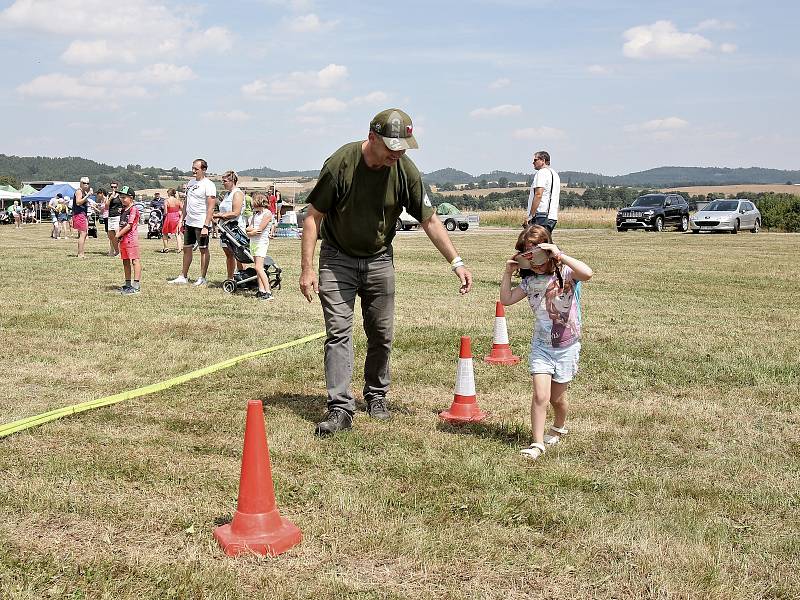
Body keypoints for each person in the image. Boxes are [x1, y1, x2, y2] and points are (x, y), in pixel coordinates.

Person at [300, 108, 473, 436]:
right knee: (339, 333)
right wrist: (308, 269)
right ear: (371, 138)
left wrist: (457, 262)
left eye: (403, 146)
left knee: (381, 334)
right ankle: (340, 407)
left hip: (379, 260)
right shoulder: (341, 164)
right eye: (392, 146)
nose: (398, 152)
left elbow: (430, 219)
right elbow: (313, 217)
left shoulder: (405, 170)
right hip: (337, 259)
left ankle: (376, 395)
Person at [499, 224, 593, 460]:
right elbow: (507, 299)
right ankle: (537, 443)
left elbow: (588, 273)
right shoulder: (529, 282)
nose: (536, 262)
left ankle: (559, 426)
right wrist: (508, 273)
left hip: (566, 347)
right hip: (541, 347)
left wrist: (560, 255)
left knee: (556, 399)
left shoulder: (567, 275)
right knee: (540, 396)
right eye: (528, 257)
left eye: (539, 255)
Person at [170, 159, 216, 286]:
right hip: (189, 221)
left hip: (201, 222)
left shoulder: (209, 185)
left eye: (196, 169)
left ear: (204, 169)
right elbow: (186, 203)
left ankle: (202, 278)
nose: (193, 171)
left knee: (203, 249)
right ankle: (183, 276)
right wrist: (181, 219)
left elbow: (211, 207)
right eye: (193, 168)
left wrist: (206, 225)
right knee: (186, 249)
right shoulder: (190, 183)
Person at [213, 171, 246, 280]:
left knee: (239, 254)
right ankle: (230, 277)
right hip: (225, 228)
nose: (223, 183)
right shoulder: (227, 194)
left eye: (225, 181)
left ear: (232, 181)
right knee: (229, 254)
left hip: (235, 229)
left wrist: (219, 215)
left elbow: (235, 212)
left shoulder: (237, 193)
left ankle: (243, 276)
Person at [246, 193, 274, 301]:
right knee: (257, 268)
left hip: (261, 242)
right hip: (253, 243)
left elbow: (259, 230)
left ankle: (268, 292)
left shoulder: (267, 213)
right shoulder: (255, 214)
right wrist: (250, 232)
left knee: (259, 267)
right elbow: (249, 228)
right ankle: (261, 290)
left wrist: (250, 232)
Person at [524, 151, 561, 232]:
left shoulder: (541, 173)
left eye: (535, 160)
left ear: (543, 160)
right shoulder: (555, 174)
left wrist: (530, 216)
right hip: (552, 216)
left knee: (534, 243)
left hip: (541, 215)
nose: (533, 162)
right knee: (545, 243)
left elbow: (538, 194)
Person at [116, 186, 142, 295]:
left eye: (124, 197)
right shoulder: (123, 209)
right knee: (125, 261)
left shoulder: (133, 209)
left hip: (131, 239)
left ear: (131, 198)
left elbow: (129, 225)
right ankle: (127, 284)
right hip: (123, 240)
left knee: (134, 260)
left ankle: (136, 285)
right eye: (120, 197)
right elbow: (121, 224)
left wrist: (117, 235)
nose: (121, 199)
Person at [73, 176, 91, 258]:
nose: (86, 185)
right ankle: (80, 253)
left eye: (88, 183)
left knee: (84, 233)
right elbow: (78, 202)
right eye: (84, 183)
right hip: (79, 214)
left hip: (82, 214)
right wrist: (87, 196)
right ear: (80, 183)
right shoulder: (79, 191)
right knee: (83, 234)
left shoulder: (83, 192)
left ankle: (81, 252)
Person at [160, 188, 182, 253]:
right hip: (177, 217)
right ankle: (179, 248)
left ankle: (166, 248)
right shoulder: (178, 201)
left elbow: (165, 212)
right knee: (177, 233)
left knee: (165, 233)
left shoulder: (166, 201)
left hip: (169, 217)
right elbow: (183, 209)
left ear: (168, 193)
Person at [106, 181, 123, 256]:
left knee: (117, 235)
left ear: (117, 187)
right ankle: (112, 250)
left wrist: (122, 209)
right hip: (110, 216)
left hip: (118, 216)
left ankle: (118, 251)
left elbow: (125, 204)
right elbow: (106, 206)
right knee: (111, 235)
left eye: (115, 187)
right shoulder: (109, 195)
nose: (113, 188)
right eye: (112, 187)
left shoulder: (120, 195)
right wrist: (110, 198)